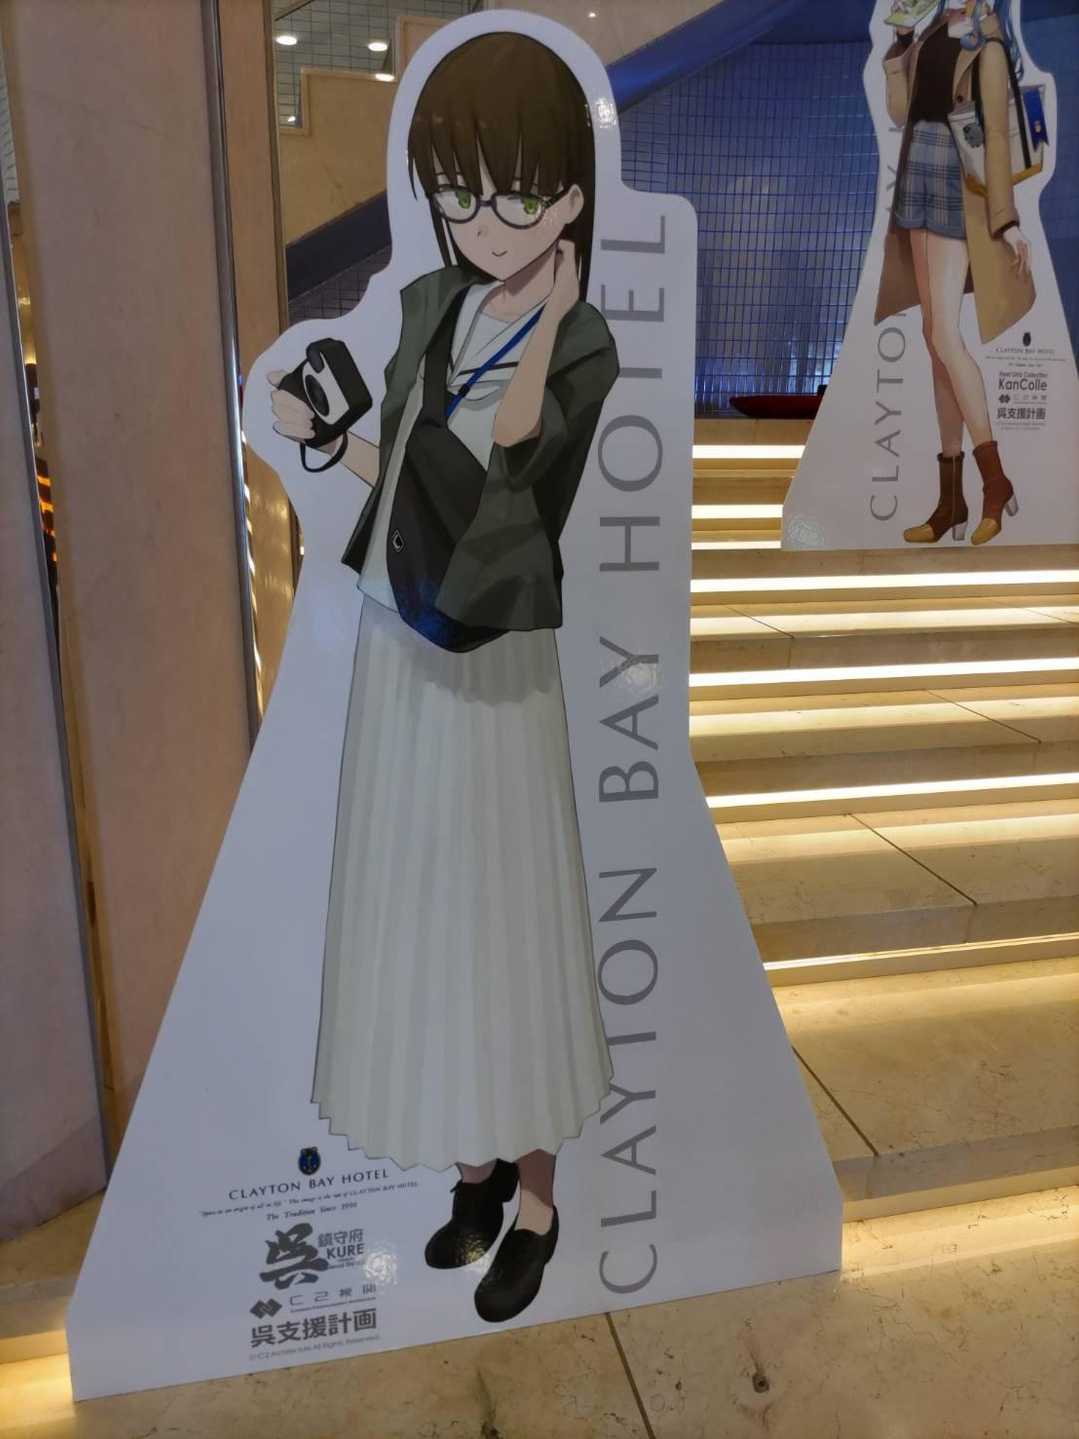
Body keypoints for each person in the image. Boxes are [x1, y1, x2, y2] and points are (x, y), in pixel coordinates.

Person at [268, 31, 619, 1324]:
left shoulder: (580, 347)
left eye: (513, 194)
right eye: (459, 193)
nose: (479, 221)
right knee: (428, 913)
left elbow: (514, 463)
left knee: (513, 921)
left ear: (567, 199)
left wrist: (546, 321)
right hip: (401, 646)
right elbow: (412, 481)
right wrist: (328, 439)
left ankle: (537, 1201)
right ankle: (473, 1173)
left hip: (498, 670)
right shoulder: (430, 306)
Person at [875, 0, 1034, 545]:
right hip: (916, 173)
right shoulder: (928, 37)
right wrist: (901, 44)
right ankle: (950, 501)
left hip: (954, 185)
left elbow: (996, 139)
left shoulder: (987, 46)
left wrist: (1006, 222)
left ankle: (995, 479)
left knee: (945, 334)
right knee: (932, 336)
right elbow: (902, 113)